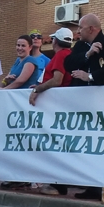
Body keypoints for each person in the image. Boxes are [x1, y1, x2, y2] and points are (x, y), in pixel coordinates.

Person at [64, 13, 104, 200]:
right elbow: (69, 64)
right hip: (85, 105)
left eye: (80, 27)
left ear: (92, 29)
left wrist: (90, 77)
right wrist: (87, 54)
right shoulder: (81, 46)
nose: (77, 31)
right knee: (89, 145)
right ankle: (92, 186)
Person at [29, 27, 75, 196]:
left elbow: (57, 80)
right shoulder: (68, 55)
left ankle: (58, 185)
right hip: (60, 105)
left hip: (56, 107)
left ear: (55, 41)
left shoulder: (61, 55)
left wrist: (38, 89)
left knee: (56, 143)